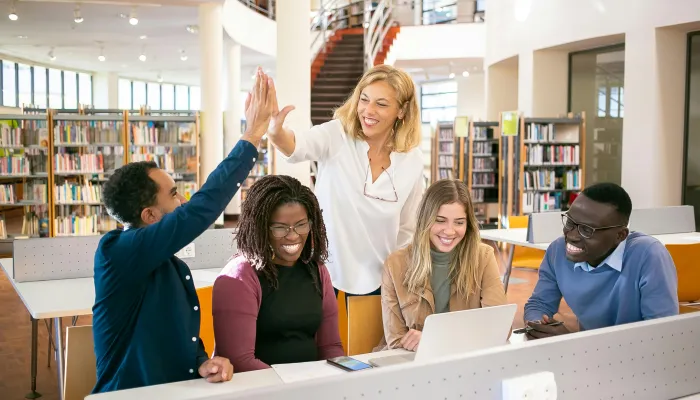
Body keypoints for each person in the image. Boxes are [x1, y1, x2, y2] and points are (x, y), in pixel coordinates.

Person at [91, 68, 274, 393]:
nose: (183, 201)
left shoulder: (170, 265)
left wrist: (202, 361)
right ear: (148, 215)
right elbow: (199, 211)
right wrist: (251, 137)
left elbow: (175, 334)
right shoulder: (116, 253)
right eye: (174, 195)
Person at [265, 64, 425, 297]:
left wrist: (399, 279)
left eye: (381, 104)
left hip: (380, 281)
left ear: (402, 111)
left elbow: (407, 229)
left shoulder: (412, 160)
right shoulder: (337, 135)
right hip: (322, 274)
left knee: (367, 336)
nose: (368, 110)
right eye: (364, 99)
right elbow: (297, 146)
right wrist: (276, 133)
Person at [212, 175, 344, 372]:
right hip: (261, 390)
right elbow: (239, 361)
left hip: (310, 386)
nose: (292, 236)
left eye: (301, 225)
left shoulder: (317, 270)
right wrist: (295, 388)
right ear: (261, 228)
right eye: (280, 228)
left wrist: (345, 376)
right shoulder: (239, 276)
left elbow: (330, 347)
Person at [524, 182, 679, 340]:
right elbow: (539, 303)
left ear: (620, 235)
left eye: (586, 230)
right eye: (570, 222)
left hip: (638, 358)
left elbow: (661, 335)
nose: (572, 236)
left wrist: (572, 342)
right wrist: (538, 324)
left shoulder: (649, 255)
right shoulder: (557, 250)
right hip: (590, 357)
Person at [378, 179, 508, 351]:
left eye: (459, 222)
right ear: (426, 220)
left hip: (465, 361)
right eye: (440, 220)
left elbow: (500, 328)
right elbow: (396, 341)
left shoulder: (483, 257)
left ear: (468, 224)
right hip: (411, 363)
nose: (449, 231)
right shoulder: (395, 264)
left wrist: (435, 339)